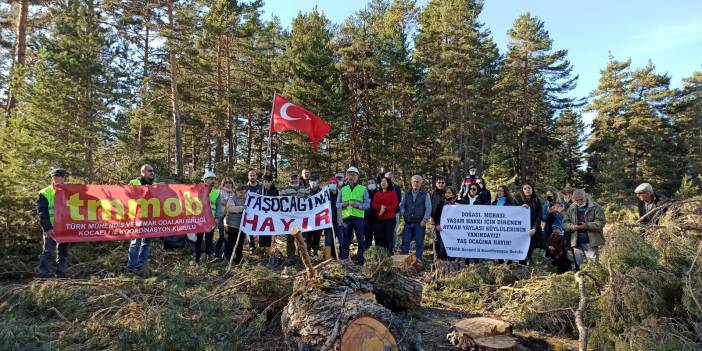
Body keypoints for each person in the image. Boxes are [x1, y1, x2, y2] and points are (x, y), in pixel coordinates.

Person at [38, 167, 70, 278]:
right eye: (55, 177)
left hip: (65, 228)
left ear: (63, 179)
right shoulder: (45, 192)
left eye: (60, 177)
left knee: (63, 253)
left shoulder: (68, 191)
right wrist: (47, 228)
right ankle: (43, 277)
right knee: (48, 252)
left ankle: (60, 275)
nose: (57, 180)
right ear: (52, 178)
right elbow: (42, 212)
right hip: (51, 228)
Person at [563, 189, 606, 266]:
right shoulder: (571, 208)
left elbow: (601, 222)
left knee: (593, 266)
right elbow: (565, 222)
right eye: (576, 200)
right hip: (576, 241)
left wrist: (586, 226)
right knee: (580, 266)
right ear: (573, 199)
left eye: (581, 199)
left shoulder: (596, 207)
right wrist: (572, 227)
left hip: (591, 241)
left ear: (585, 196)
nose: (579, 202)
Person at [337, 166, 369, 265]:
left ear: (357, 177)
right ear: (346, 176)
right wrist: (343, 204)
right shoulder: (343, 189)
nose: (351, 177)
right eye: (349, 175)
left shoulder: (363, 189)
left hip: (359, 218)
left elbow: (367, 204)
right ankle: (345, 260)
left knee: (361, 240)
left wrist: (358, 205)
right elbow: (337, 204)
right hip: (346, 218)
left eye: (353, 175)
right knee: (345, 241)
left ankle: (360, 261)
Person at [127, 164, 156, 271]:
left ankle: (140, 266)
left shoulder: (155, 185)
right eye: (149, 170)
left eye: (152, 170)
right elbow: (125, 196)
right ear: (142, 172)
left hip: (150, 219)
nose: (152, 172)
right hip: (137, 218)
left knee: (146, 244)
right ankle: (132, 266)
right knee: (135, 243)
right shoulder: (134, 182)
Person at [400, 175, 432, 262]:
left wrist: (425, 220)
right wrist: (404, 214)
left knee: (419, 244)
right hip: (408, 222)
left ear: (421, 183)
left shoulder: (425, 194)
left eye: (418, 181)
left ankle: (418, 262)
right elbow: (401, 205)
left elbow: (428, 208)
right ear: (411, 182)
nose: (416, 183)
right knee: (405, 243)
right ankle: (404, 262)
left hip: (420, 223)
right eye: (414, 181)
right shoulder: (406, 193)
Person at [280, 170, 309, 263]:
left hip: (301, 218)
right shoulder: (284, 190)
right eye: (292, 178)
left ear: (298, 178)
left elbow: (310, 202)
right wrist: (294, 197)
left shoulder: (305, 189)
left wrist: (303, 197)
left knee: (302, 238)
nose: (294, 179)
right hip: (289, 218)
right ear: (290, 178)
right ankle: (290, 257)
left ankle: (302, 257)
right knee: (290, 238)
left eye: (296, 177)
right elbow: (280, 202)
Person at [193, 170, 221, 263]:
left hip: (211, 220)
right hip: (200, 219)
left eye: (214, 179)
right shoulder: (197, 191)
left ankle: (209, 257)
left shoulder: (216, 192)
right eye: (210, 179)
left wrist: (217, 217)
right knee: (198, 240)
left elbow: (218, 206)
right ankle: (196, 258)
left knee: (209, 239)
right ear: (205, 180)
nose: (213, 181)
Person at [542, 186, 570, 273]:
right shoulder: (545, 206)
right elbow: (543, 218)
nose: (549, 197)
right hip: (549, 231)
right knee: (550, 251)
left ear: (555, 195)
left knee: (561, 251)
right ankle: (551, 271)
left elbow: (565, 218)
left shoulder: (562, 205)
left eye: (551, 195)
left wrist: (558, 211)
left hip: (561, 233)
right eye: (547, 195)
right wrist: (549, 213)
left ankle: (563, 272)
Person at [515, 183, 543, 264]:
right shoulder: (518, 200)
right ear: (522, 190)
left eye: (529, 188)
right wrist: (520, 207)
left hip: (534, 230)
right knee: (522, 252)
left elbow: (539, 216)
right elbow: (513, 213)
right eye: (525, 188)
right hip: (521, 230)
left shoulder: (537, 200)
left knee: (533, 251)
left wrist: (534, 228)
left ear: (532, 189)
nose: (527, 190)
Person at [371, 177, 399, 253]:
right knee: (379, 238)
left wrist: (385, 208)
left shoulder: (392, 192)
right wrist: (380, 207)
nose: (383, 183)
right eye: (382, 182)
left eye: (385, 181)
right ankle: (380, 255)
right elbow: (373, 205)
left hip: (390, 219)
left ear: (388, 183)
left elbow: (395, 205)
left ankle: (389, 255)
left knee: (388, 238)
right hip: (379, 219)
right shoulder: (377, 193)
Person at [432, 186, 459, 261]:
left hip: (454, 230)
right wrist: (437, 225)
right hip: (442, 230)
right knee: (442, 247)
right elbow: (436, 216)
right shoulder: (440, 204)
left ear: (453, 194)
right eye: (446, 193)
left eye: (449, 192)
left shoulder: (457, 205)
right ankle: (443, 264)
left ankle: (452, 263)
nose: (447, 194)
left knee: (453, 246)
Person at [223, 185, 247, 264]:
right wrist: (243, 207)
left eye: (244, 193)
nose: (242, 194)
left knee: (240, 244)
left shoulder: (246, 199)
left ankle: (238, 259)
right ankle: (227, 259)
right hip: (231, 226)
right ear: (236, 192)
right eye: (240, 192)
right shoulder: (231, 199)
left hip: (241, 226)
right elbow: (231, 208)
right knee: (230, 244)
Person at [215, 178, 235, 258]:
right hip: (221, 216)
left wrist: (228, 202)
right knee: (222, 236)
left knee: (230, 236)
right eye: (226, 182)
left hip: (232, 217)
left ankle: (227, 254)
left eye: (230, 182)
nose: (228, 183)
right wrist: (230, 202)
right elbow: (221, 201)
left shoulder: (235, 192)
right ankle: (216, 252)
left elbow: (235, 202)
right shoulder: (219, 191)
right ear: (223, 183)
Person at [257, 174, 278, 251]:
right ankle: (262, 248)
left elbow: (276, 202)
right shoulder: (260, 189)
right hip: (261, 215)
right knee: (261, 231)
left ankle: (268, 248)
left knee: (268, 231)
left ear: (271, 182)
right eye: (264, 181)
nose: (266, 183)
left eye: (267, 182)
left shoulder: (275, 191)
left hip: (270, 215)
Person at [324, 176, 342, 259]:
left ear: (337, 184)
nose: (332, 184)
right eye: (330, 183)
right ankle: (328, 257)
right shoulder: (325, 195)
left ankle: (343, 256)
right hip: (328, 221)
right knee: (329, 240)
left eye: (333, 183)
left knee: (342, 239)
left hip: (339, 221)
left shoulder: (341, 193)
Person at [305, 175, 324, 256]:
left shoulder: (322, 191)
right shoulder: (306, 191)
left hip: (318, 216)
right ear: (309, 182)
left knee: (317, 234)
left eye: (314, 180)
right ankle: (308, 250)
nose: (312, 182)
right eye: (311, 181)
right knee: (308, 234)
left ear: (318, 181)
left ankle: (315, 250)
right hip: (308, 217)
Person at [384, 171, 402, 253]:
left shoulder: (397, 188)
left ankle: (394, 247)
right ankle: (386, 247)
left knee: (394, 230)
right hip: (384, 212)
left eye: (390, 177)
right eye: (387, 178)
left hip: (395, 211)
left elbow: (398, 200)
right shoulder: (383, 186)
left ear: (393, 178)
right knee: (385, 230)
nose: (389, 179)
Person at [245, 170, 261, 252]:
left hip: (260, 211)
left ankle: (261, 246)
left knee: (261, 227)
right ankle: (251, 246)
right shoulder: (245, 187)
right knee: (249, 228)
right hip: (249, 211)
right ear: (248, 177)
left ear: (256, 176)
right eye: (251, 175)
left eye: (254, 175)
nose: (252, 177)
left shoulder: (261, 186)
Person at [364, 177, 378, 247]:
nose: (370, 184)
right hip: (367, 219)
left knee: (378, 238)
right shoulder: (365, 193)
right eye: (369, 183)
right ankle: (367, 254)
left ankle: (378, 254)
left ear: (375, 184)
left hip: (377, 219)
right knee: (367, 238)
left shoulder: (379, 193)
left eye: (372, 183)